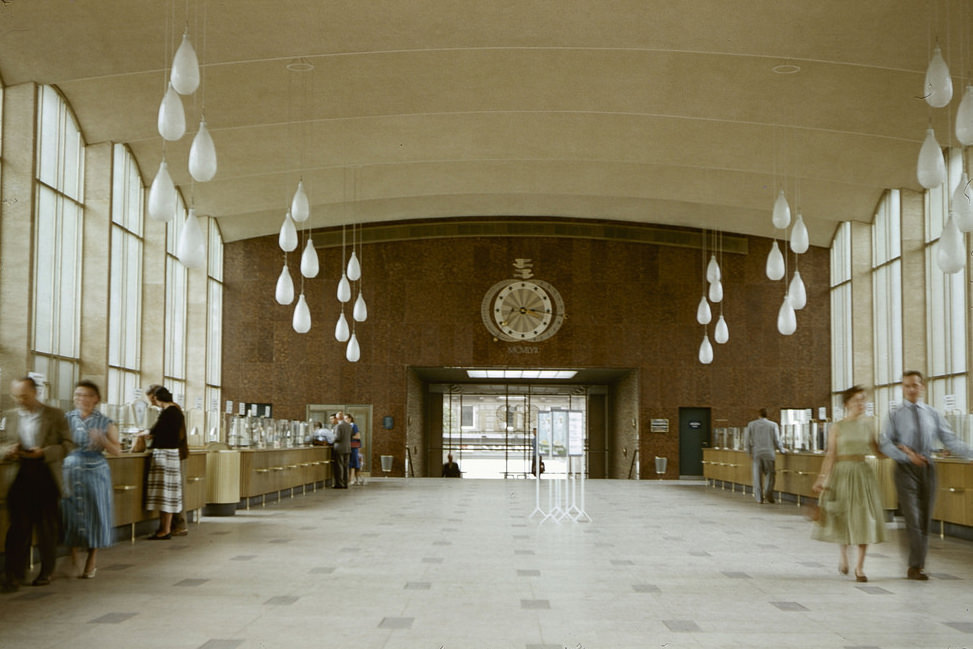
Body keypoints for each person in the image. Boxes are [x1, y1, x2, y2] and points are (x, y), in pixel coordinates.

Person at [878, 370, 973, 581]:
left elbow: (950, 439)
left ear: (922, 387)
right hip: (905, 469)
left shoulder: (932, 414)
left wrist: (970, 452)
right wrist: (906, 457)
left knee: (924, 518)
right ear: (903, 388)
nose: (911, 389)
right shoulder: (895, 415)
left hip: (928, 467)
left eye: (914, 385)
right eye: (906, 386)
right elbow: (885, 443)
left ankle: (918, 562)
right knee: (912, 516)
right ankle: (915, 566)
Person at [1, 377, 74, 592]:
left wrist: (45, 453)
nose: (20, 400)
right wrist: (8, 450)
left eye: (24, 396)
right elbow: (1, 443)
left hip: (45, 475)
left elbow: (69, 445)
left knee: (46, 528)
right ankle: (14, 574)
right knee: (17, 528)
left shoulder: (55, 415)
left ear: (35, 392)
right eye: (16, 396)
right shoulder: (10, 417)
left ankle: (46, 571)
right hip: (20, 474)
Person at [812, 385, 886, 582]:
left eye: (863, 399)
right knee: (843, 516)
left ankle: (860, 567)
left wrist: (898, 450)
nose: (861, 403)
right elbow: (831, 454)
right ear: (847, 404)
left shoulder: (869, 425)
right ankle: (844, 555)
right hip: (841, 474)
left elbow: (878, 451)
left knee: (864, 518)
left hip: (863, 474)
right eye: (857, 400)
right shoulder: (837, 426)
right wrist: (821, 479)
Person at [62, 380, 121, 579]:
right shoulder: (66, 419)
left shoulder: (106, 422)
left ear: (96, 399)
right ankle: (73, 558)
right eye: (78, 395)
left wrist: (102, 440)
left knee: (96, 513)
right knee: (70, 513)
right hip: (70, 471)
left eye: (87, 395)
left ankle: (91, 559)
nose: (82, 399)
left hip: (95, 472)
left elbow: (117, 451)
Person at [136, 386, 185, 539]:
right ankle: (165, 528)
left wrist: (144, 434)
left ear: (157, 398)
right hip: (172, 455)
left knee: (164, 494)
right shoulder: (176, 411)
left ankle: (165, 530)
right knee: (169, 495)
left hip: (164, 456)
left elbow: (155, 430)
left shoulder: (168, 412)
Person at [745, 408, 786, 504]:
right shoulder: (773, 425)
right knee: (770, 474)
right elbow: (777, 439)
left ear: (758, 415)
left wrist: (749, 452)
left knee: (757, 476)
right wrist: (782, 450)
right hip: (769, 453)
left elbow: (747, 440)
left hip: (757, 453)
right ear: (767, 415)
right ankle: (768, 492)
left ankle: (759, 498)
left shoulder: (751, 424)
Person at [331, 413, 351, 488]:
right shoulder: (349, 426)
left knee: (339, 466)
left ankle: (339, 484)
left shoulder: (338, 426)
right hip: (347, 448)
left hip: (339, 448)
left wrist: (331, 439)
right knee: (346, 467)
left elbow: (337, 438)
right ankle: (345, 483)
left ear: (337, 418)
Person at [347, 414, 363, 486]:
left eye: (346, 418)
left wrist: (348, 437)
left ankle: (352, 479)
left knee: (353, 463)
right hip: (350, 447)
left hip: (353, 447)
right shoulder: (347, 426)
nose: (345, 420)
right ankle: (351, 479)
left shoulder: (353, 426)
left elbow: (358, 436)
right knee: (351, 464)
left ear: (350, 419)